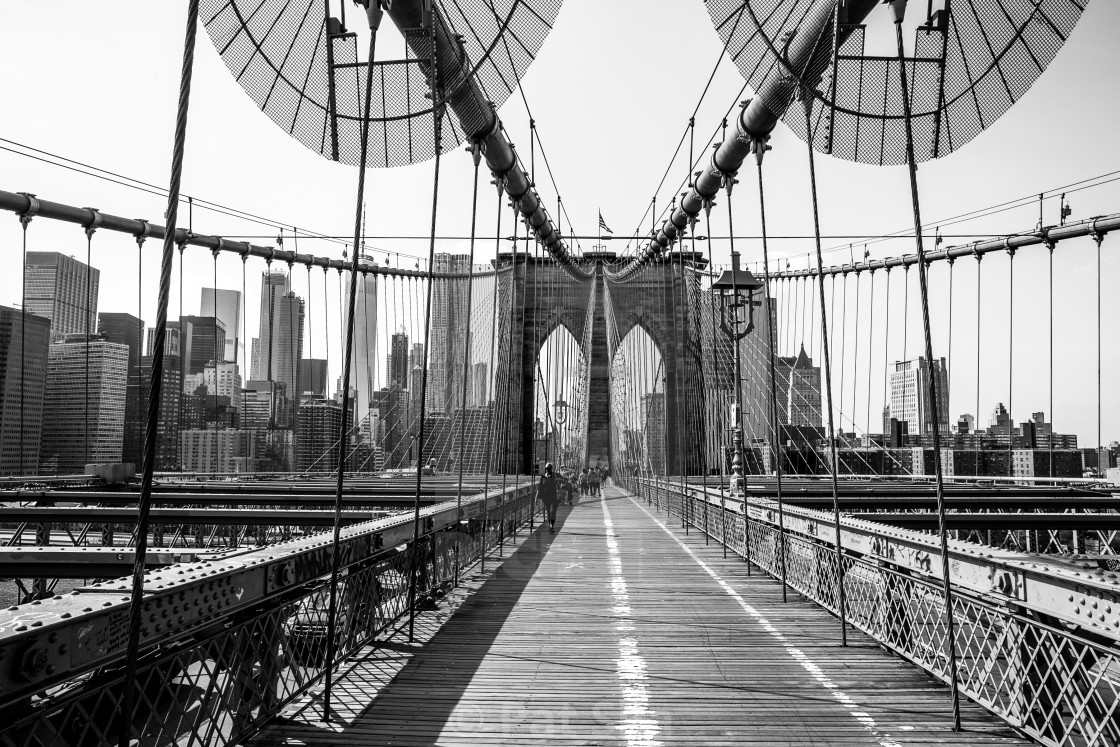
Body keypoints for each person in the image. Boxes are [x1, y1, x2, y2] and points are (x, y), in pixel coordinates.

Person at [537, 463, 560, 533]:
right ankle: (550, 526)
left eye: (549, 468)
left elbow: (562, 481)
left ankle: (551, 527)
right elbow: (539, 488)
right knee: (549, 513)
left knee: (552, 511)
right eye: (547, 469)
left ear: (551, 469)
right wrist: (536, 497)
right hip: (546, 498)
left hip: (554, 497)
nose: (548, 470)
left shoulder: (555, 475)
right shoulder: (543, 477)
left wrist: (559, 480)